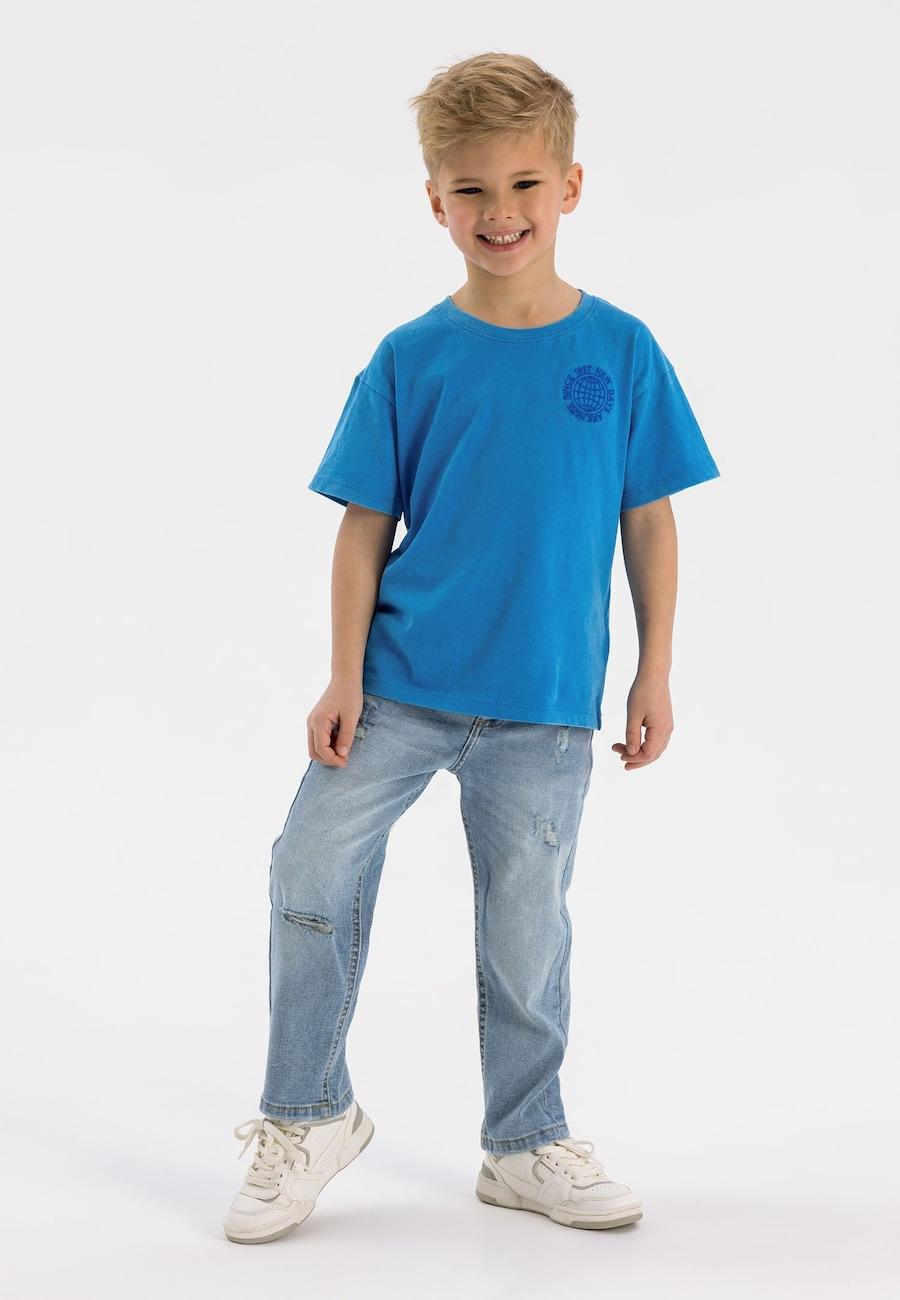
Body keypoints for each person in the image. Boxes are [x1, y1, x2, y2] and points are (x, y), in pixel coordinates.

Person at [223, 50, 720, 1244]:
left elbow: (649, 519)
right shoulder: (410, 358)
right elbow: (363, 528)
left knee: (526, 925)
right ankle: (309, 1111)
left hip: (545, 703)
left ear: (571, 186)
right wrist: (343, 673)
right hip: (400, 686)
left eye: (525, 184)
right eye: (473, 191)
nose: (502, 213)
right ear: (435, 202)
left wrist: (653, 668)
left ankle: (526, 1139)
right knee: (308, 868)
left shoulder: (621, 350)